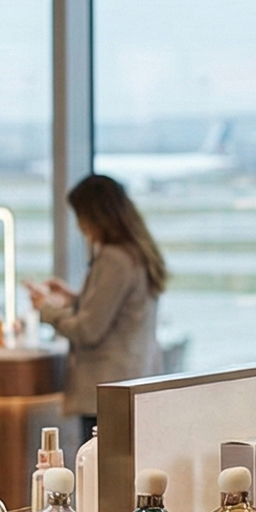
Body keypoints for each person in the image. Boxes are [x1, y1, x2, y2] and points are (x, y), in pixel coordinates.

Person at [24, 173, 165, 444]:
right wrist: (76, 298)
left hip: (107, 389)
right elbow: (119, 309)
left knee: (98, 473)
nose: (80, 226)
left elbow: (89, 329)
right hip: (134, 379)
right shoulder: (137, 254)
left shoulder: (114, 259)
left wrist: (47, 309)